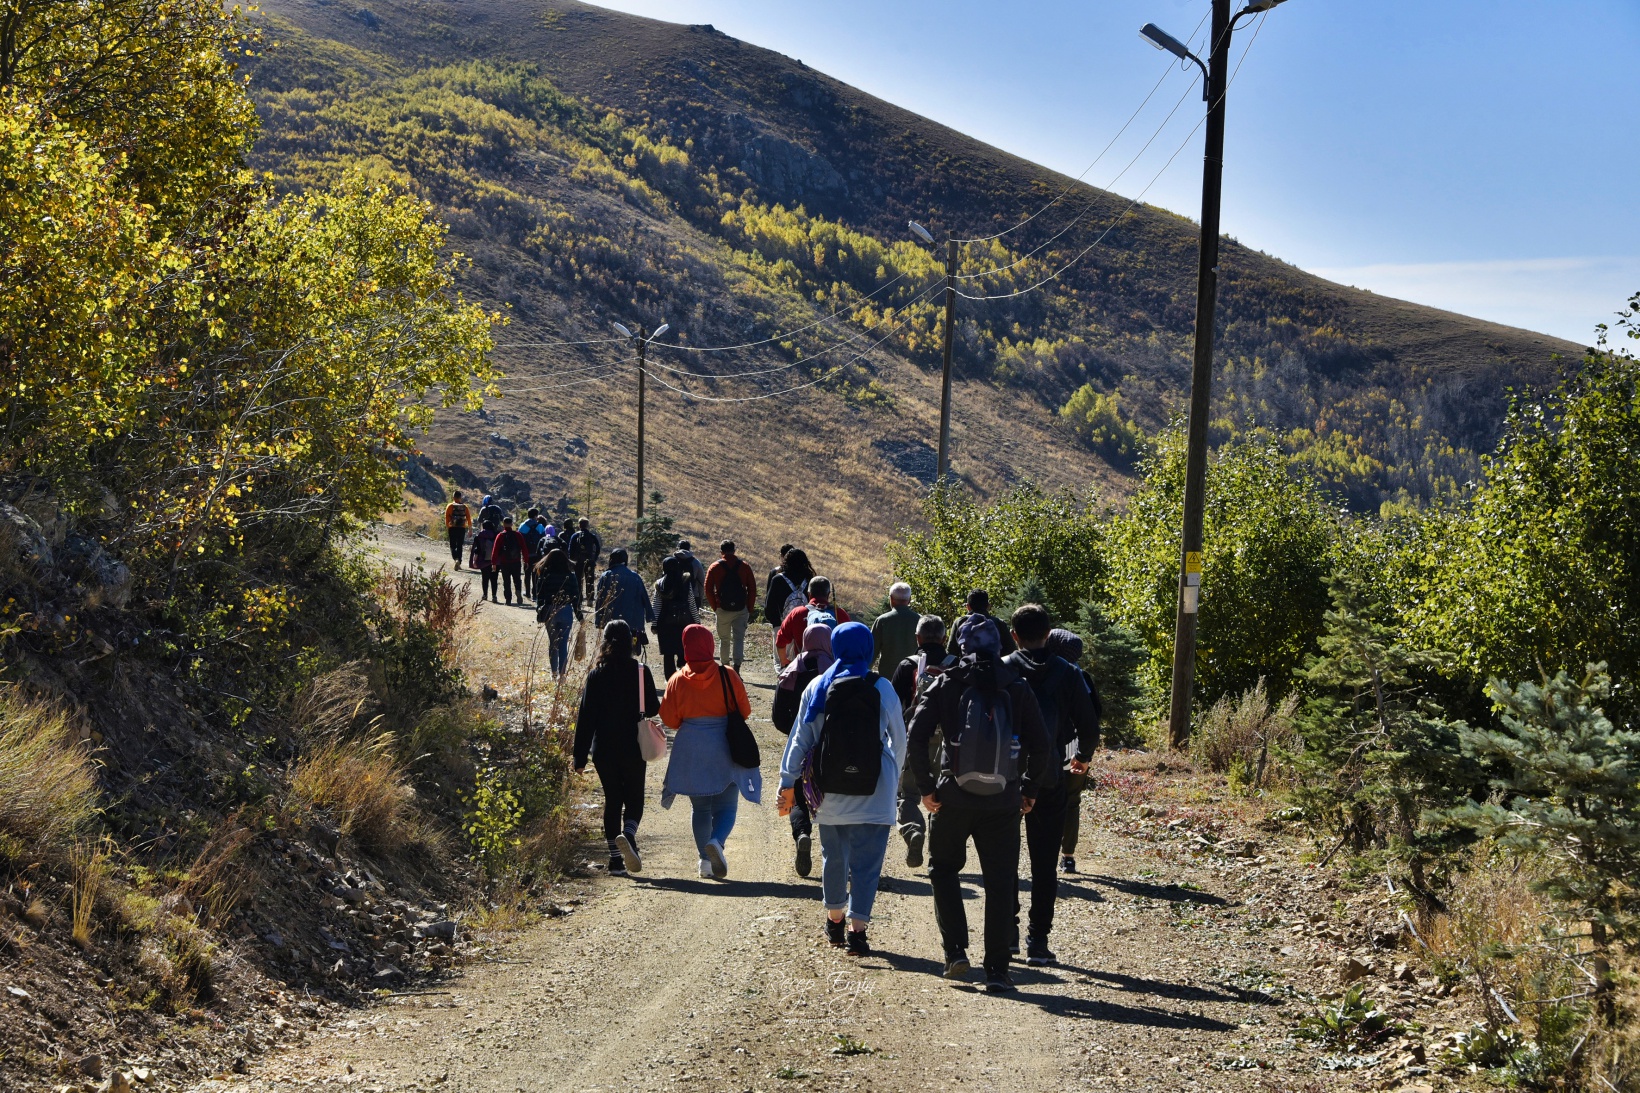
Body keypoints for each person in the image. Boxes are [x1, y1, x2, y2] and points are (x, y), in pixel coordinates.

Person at [908, 615, 1051, 992]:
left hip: (951, 798)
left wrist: (926, 787)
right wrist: (1029, 790)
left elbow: (916, 736)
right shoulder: (1017, 686)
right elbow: (1043, 746)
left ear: (959, 645)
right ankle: (998, 971)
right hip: (1003, 801)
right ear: (1001, 645)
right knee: (1001, 882)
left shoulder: (946, 683)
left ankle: (955, 952)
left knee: (943, 871)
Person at [778, 622, 907, 956]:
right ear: (868, 649)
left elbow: (799, 740)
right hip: (875, 790)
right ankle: (858, 932)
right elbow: (900, 739)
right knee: (867, 863)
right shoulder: (881, 687)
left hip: (829, 789)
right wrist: (894, 777)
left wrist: (786, 782)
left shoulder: (819, 686)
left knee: (834, 857)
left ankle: (834, 920)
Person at [1003, 605, 1100, 967]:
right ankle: (1038, 942)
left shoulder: (1005, 668)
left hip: (1007, 778)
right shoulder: (1069, 673)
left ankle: (1008, 934)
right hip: (1050, 776)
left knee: (1005, 859)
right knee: (1044, 863)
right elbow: (1089, 726)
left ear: (1014, 635)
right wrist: (1083, 758)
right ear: (1049, 636)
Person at [659, 624, 759, 879]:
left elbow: (670, 719)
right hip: (725, 745)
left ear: (686, 647)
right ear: (711, 646)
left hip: (691, 747)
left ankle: (705, 862)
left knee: (700, 808)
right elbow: (744, 712)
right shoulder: (728, 675)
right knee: (727, 807)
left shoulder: (677, 679)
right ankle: (717, 841)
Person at [573, 621, 661, 877]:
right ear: (630, 642)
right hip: (633, 745)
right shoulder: (640, 671)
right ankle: (630, 836)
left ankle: (615, 861)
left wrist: (579, 757)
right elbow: (654, 708)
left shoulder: (596, 674)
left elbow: (586, 717)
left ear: (605, 642)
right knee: (634, 796)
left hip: (604, 749)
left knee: (613, 800)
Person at [888, 614, 956, 867]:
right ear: (944, 638)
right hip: (950, 743)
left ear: (917, 638)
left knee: (907, 794)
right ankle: (938, 854)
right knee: (945, 796)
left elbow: (893, 705)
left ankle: (913, 830)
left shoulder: (907, 665)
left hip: (914, 738)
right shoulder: (957, 665)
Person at [771, 624, 835, 876]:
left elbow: (777, 717)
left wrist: (794, 731)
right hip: (832, 748)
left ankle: (802, 833)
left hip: (799, 744)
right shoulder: (835, 671)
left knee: (797, 795)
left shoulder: (791, 672)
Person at [1045, 628, 1102, 875]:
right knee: (1071, 801)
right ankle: (1068, 856)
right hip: (1076, 752)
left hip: (1048, 749)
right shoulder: (1083, 677)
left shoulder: (1046, 672)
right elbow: (1095, 714)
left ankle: (1043, 852)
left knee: (1040, 800)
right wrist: (1085, 755)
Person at [705, 540, 758, 671]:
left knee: (724, 639)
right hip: (741, 608)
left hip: (722, 608)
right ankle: (737, 667)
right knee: (739, 638)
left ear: (721, 551)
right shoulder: (744, 566)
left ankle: (725, 667)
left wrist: (715, 606)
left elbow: (708, 589)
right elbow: (752, 588)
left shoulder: (715, 567)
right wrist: (749, 608)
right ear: (734, 551)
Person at [775, 575, 851, 666]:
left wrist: (784, 661)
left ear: (809, 593)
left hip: (804, 669)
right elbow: (850, 643)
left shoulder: (797, 613)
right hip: (832, 669)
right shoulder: (840, 614)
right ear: (828, 594)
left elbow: (780, 641)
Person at [534, 548, 584, 678]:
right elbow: (576, 598)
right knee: (563, 644)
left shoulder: (544, 575)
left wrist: (540, 611)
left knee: (553, 643)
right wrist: (580, 617)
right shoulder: (571, 576)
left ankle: (554, 673)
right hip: (566, 610)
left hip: (550, 610)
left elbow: (539, 596)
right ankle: (562, 675)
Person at [652, 553, 700, 678]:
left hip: (665, 622)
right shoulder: (685, 581)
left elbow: (656, 605)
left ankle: (670, 680)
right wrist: (697, 621)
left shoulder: (659, 584)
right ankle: (684, 677)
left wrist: (654, 623)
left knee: (668, 653)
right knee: (682, 650)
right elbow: (691, 603)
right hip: (684, 622)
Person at [594, 548, 653, 644]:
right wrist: (649, 617)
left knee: (611, 648)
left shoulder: (606, 575)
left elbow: (600, 599)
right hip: (633, 622)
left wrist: (599, 620)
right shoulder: (636, 577)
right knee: (629, 649)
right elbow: (645, 598)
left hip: (611, 621)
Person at [764, 546, 813, 649]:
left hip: (782, 624)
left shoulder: (778, 579)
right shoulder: (809, 578)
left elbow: (770, 604)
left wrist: (775, 623)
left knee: (781, 661)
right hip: (804, 624)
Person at [946, 590, 1017, 657]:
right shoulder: (999, 623)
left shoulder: (960, 622)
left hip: (968, 667)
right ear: (988, 606)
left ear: (968, 607)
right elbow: (1011, 651)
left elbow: (951, 652)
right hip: (993, 667)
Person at [870, 582, 920, 674]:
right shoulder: (920, 620)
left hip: (888, 679)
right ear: (909, 599)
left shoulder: (882, 621)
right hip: (913, 677)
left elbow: (871, 652)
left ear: (891, 599)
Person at [491, 516, 528, 606]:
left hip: (504, 562)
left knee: (506, 581)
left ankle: (508, 600)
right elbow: (524, 548)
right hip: (516, 561)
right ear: (512, 524)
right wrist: (526, 560)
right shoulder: (518, 535)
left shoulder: (500, 535)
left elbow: (495, 550)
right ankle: (518, 591)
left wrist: (494, 563)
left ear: (503, 524)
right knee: (517, 579)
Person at [569, 518, 603, 606]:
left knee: (578, 580)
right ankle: (590, 600)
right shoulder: (592, 536)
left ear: (579, 525)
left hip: (578, 561)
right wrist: (594, 558)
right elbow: (598, 548)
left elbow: (570, 549)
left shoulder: (575, 536)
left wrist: (573, 560)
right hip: (590, 561)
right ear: (587, 525)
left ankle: (579, 600)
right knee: (590, 579)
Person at [519, 508, 550, 600]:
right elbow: (544, 540)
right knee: (536, 574)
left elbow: (520, 540)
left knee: (527, 573)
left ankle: (527, 592)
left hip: (526, 554)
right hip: (537, 554)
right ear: (535, 516)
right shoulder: (540, 526)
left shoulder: (523, 526)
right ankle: (535, 594)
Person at [470, 519, 500, 603]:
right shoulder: (497, 535)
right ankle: (494, 596)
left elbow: (477, 550)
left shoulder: (479, 536)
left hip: (483, 560)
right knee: (494, 579)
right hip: (495, 561)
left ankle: (485, 595)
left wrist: (474, 561)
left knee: (485, 578)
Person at [443, 491, 472, 570]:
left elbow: (446, 518)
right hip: (462, 528)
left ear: (453, 497)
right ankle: (459, 561)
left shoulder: (450, 506)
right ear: (460, 498)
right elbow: (469, 519)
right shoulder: (465, 507)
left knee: (453, 545)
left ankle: (456, 559)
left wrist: (448, 527)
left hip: (452, 527)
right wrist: (470, 530)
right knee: (459, 545)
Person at [674, 540, 707, 605]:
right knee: (692, 615)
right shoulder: (696, 562)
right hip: (693, 595)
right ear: (689, 549)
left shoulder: (671, 561)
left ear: (678, 548)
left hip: (674, 595)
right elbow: (702, 582)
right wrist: (700, 599)